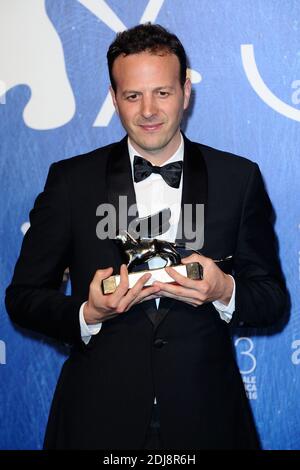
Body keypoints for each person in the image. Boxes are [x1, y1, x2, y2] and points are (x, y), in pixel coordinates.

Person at [5, 23, 286, 450]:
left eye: (163, 92)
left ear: (185, 92)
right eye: (133, 95)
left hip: (208, 417)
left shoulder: (238, 178)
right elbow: (22, 297)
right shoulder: (71, 182)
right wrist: (87, 313)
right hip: (95, 418)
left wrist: (224, 289)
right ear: (114, 98)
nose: (149, 110)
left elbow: (271, 300)